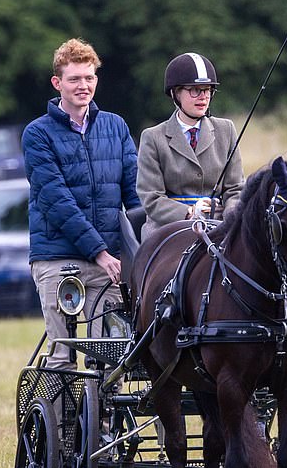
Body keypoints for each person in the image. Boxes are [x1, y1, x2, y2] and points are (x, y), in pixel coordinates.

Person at [22, 37, 141, 370]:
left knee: (113, 353)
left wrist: (145, 248)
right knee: (63, 357)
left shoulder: (115, 127)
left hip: (110, 264)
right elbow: (56, 201)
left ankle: (105, 423)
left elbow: (134, 196)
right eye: (74, 79)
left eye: (89, 78)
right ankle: (64, 424)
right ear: (57, 83)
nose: (83, 85)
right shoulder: (38, 134)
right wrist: (100, 252)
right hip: (58, 257)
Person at [136, 52, 244, 239]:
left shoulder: (226, 130)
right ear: (175, 93)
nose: (203, 96)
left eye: (208, 90)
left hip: (218, 225)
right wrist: (190, 211)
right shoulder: (153, 137)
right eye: (195, 90)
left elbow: (235, 189)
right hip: (168, 229)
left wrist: (230, 219)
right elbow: (151, 198)